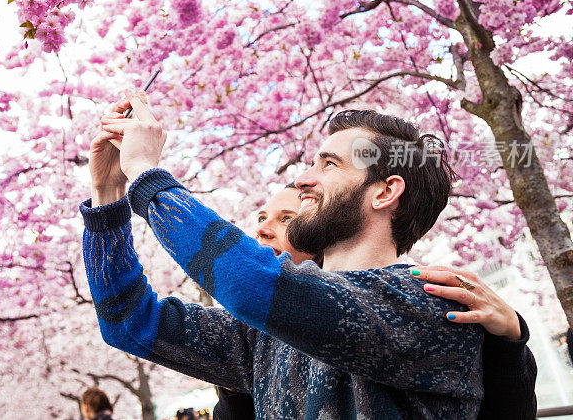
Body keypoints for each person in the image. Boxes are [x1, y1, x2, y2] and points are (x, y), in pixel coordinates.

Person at [82, 96, 485, 417]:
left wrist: (145, 171)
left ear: (384, 192)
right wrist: (107, 198)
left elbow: (250, 284)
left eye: (329, 164)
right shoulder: (265, 337)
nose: (303, 178)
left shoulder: (430, 306)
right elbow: (128, 322)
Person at [213, 185, 537, 420]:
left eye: (287, 218)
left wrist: (509, 338)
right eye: (261, 216)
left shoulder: (409, 310)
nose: (262, 229)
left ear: (323, 235)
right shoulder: (256, 332)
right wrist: (231, 373)